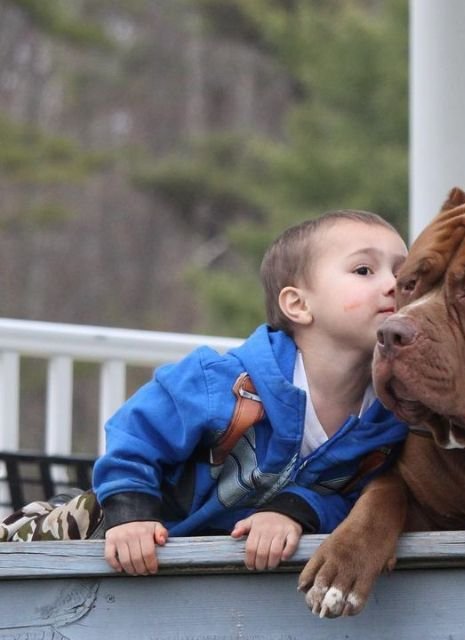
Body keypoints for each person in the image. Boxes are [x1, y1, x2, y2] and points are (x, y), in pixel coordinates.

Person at [0, 210, 410, 577]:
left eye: (406, 274)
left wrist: (293, 512)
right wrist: (130, 514)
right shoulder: (220, 379)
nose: (395, 285)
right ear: (298, 304)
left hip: (208, 565)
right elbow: (136, 435)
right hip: (111, 523)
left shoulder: (390, 419)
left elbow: (355, 499)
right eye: (363, 270)